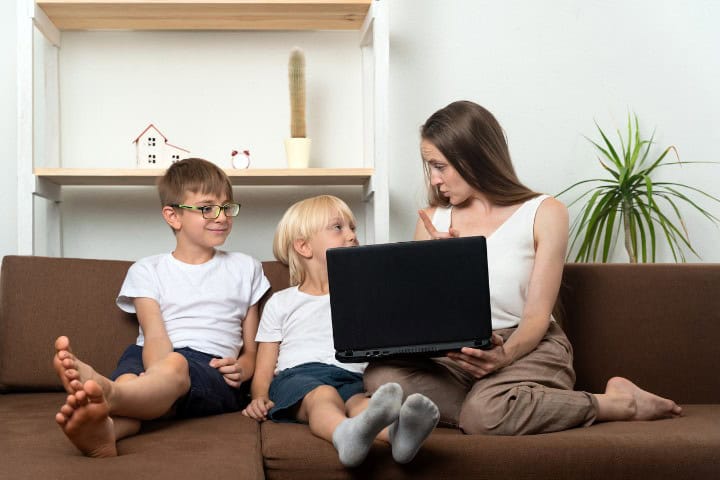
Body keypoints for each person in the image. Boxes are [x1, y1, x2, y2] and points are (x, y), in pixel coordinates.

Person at [364, 100, 683, 436]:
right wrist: (440, 270)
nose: (433, 179)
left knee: (483, 413)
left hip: (528, 343)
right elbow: (422, 320)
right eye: (429, 167)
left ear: (472, 157)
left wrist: (504, 356)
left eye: (439, 166)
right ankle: (497, 406)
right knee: (379, 376)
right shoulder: (433, 220)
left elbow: (536, 316)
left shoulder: (545, 212)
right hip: (457, 354)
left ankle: (618, 402)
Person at [53, 158, 270, 457]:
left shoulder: (246, 268)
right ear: (173, 216)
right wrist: (156, 376)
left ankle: (111, 393)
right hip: (150, 355)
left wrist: (242, 369)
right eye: (207, 208)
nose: (222, 217)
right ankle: (108, 431)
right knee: (137, 379)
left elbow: (252, 350)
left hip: (211, 368)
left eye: (227, 207)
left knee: (172, 368)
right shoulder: (147, 270)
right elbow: (154, 335)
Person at [242, 195, 439, 467]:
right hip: (298, 377)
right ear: (304, 246)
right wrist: (260, 397)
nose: (351, 236)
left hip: (351, 376)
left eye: (353, 228)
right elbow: (264, 368)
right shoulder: (282, 302)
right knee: (324, 395)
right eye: (338, 228)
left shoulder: (365, 297)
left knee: (363, 404)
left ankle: (398, 436)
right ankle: (342, 434)